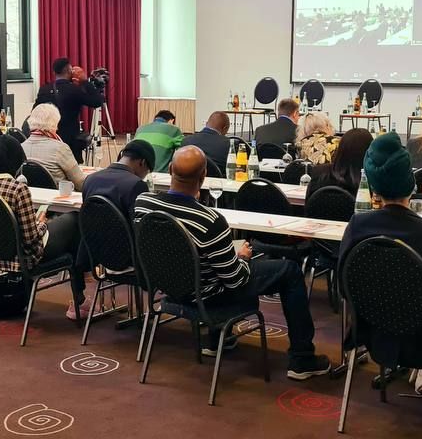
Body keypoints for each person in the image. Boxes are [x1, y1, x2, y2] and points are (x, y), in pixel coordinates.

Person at [133, 146, 331, 377]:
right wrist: (242, 259)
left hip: (168, 287)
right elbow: (235, 281)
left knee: (215, 265)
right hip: (207, 297)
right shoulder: (210, 221)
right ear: (204, 176)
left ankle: (218, 339)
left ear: (169, 170)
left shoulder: (143, 203)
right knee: (289, 270)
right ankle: (302, 358)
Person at [339, 133, 422, 404]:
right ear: (411, 182)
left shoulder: (357, 227)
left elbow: (345, 287)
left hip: (377, 335)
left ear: (374, 188)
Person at [0, 135, 90, 320]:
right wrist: (43, 223)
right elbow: (30, 238)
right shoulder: (18, 189)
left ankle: (80, 299)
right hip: (26, 256)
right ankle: (80, 298)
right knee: (74, 221)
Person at [34, 58, 104, 162]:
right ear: (69, 71)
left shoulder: (44, 89)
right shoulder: (75, 90)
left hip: (49, 138)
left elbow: (35, 111)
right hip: (70, 142)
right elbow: (97, 101)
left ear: (54, 72)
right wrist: (85, 81)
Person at [82, 139, 154, 220]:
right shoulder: (137, 185)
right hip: (124, 233)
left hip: (89, 232)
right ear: (142, 163)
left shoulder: (90, 179)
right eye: (147, 171)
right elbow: (139, 225)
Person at [21, 103, 86, 190]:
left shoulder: (20, 147)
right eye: (56, 124)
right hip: (61, 200)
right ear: (52, 125)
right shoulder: (60, 149)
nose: (57, 128)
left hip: (33, 198)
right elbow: (80, 183)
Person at [306, 128, 373, 198]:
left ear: (340, 148)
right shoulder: (368, 181)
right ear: (368, 152)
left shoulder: (319, 172)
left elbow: (308, 202)